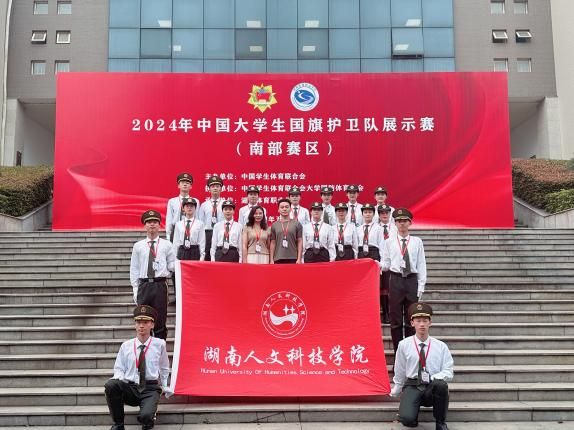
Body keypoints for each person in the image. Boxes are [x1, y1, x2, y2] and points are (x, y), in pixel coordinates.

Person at [105, 305, 172, 430]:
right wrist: (120, 380)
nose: (141, 326)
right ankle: (118, 425)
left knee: (146, 417)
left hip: (150, 388)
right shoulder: (126, 346)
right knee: (111, 385)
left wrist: (164, 385)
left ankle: (148, 417)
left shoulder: (159, 344)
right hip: (131, 388)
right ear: (135, 325)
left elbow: (164, 367)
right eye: (138, 322)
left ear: (152, 325)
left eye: (145, 322)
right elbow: (119, 368)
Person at [390, 302, 453, 430]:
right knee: (407, 419)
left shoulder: (441, 346)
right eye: (418, 321)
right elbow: (400, 369)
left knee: (441, 385)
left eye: (425, 320)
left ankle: (440, 422)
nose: (422, 324)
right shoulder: (404, 345)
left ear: (430, 322)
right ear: (412, 323)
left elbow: (448, 371)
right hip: (413, 386)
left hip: (432, 387)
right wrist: (397, 388)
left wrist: (433, 378)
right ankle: (411, 413)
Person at [382, 207, 427, 353]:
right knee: (395, 321)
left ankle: (410, 352)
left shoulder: (417, 242)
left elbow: (421, 264)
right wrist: (375, 265)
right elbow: (386, 263)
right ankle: (398, 353)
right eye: (399, 221)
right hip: (396, 280)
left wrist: (421, 286)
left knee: (410, 319)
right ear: (395, 223)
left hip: (411, 280)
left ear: (410, 223)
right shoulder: (389, 242)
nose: (402, 223)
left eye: (405, 221)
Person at [130, 210, 175, 340]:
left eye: (155, 222)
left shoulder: (167, 245)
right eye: (149, 222)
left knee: (160, 320)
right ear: (145, 225)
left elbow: (172, 264)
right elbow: (134, 268)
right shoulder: (138, 246)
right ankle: (144, 347)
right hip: (144, 286)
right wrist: (135, 288)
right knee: (143, 320)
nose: (152, 224)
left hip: (160, 285)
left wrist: (176, 267)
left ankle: (160, 348)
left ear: (159, 225)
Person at [165, 173, 199, 242]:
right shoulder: (172, 201)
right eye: (182, 182)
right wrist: (168, 235)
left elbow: (197, 217)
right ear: (178, 186)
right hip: (175, 229)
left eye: (187, 183)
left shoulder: (195, 201)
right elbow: (169, 219)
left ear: (191, 186)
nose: (185, 184)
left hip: (190, 228)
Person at [198, 175, 225, 262]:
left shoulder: (225, 204)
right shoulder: (204, 205)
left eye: (217, 186)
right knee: (207, 255)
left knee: (220, 255)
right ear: (209, 189)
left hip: (221, 232)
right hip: (208, 233)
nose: (215, 188)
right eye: (213, 186)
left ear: (221, 188)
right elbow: (201, 222)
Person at [378, 204, 397, 324]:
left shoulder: (395, 228)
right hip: (380, 260)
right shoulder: (375, 228)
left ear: (390, 214)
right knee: (382, 288)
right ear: (379, 215)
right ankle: (384, 312)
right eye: (382, 213)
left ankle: (391, 312)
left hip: (393, 260)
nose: (384, 215)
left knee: (391, 288)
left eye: (386, 213)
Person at [269, 198, 303, 264]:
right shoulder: (274, 225)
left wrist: (299, 258)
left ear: (290, 209)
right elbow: (273, 243)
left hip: (293, 258)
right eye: (282, 207)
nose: (284, 209)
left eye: (287, 207)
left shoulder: (297, 224)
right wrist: (271, 259)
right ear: (278, 210)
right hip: (278, 258)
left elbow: (300, 241)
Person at [171, 197, 206, 261]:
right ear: (183, 208)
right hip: (182, 251)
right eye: (187, 206)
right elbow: (176, 242)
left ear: (195, 208)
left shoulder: (200, 224)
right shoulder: (178, 224)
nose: (189, 208)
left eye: (192, 206)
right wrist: (174, 257)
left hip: (194, 251)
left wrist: (202, 256)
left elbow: (201, 241)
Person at [356, 203, 384, 269]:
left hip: (373, 253)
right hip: (361, 253)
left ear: (373, 214)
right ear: (362, 214)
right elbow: (356, 245)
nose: (367, 214)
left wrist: (382, 261)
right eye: (365, 212)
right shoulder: (358, 229)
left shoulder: (379, 228)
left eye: (370, 212)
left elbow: (382, 245)